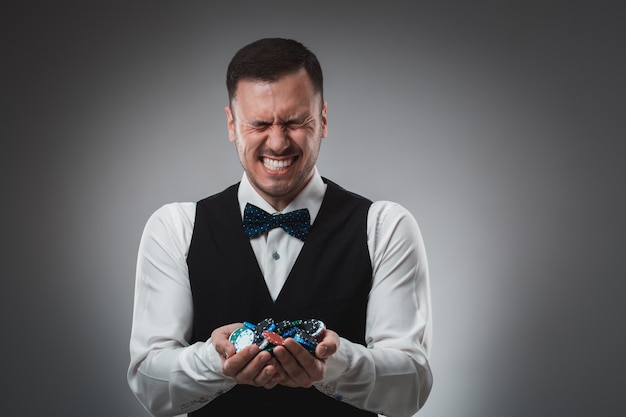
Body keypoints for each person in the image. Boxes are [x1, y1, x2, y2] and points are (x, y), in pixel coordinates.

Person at [127, 37, 433, 417]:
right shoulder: (174, 229)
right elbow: (150, 388)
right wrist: (215, 362)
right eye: (259, 124)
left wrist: (334, 364)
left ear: (322, 119)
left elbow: (411, 387)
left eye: (294, 121)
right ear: (232, 125)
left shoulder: (385, 227)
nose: (277, 141)